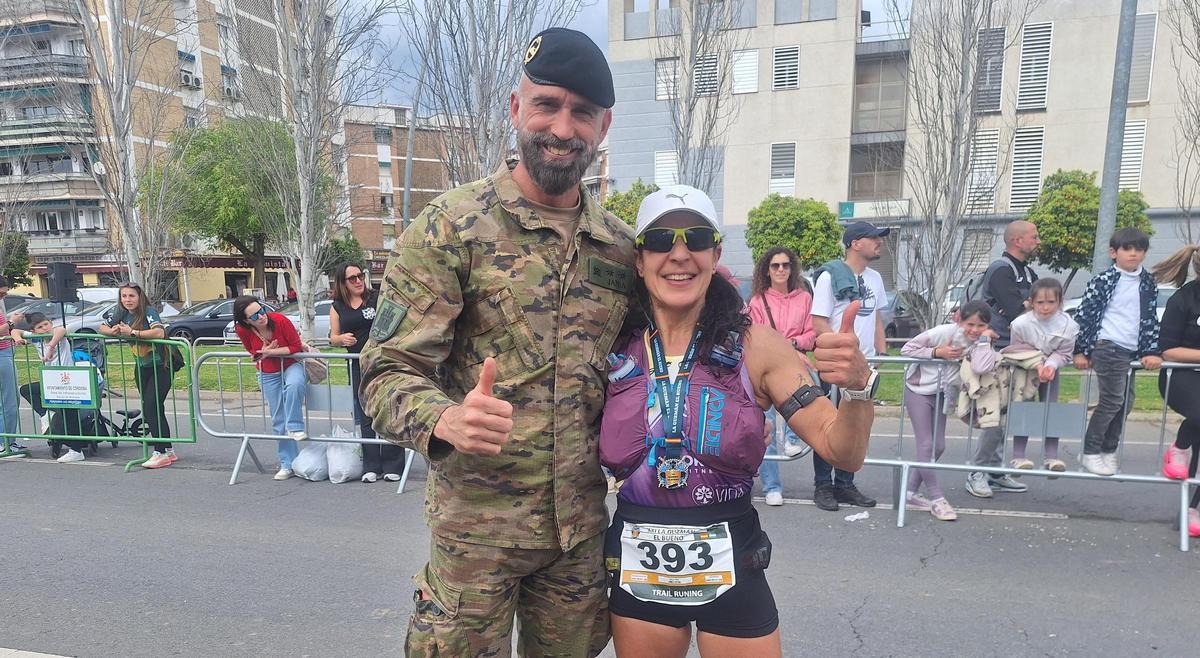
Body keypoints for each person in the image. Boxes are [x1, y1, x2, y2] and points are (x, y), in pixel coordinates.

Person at [358, 28, 632, 657]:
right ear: (516, 108)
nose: (562, 129)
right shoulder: (452, 226)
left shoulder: (618, 247)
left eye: (582, 113)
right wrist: (446, 417)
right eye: (547, 105)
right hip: (475, 536)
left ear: (604, 125)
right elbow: (384, 370)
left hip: (578, 539)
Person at [600, 185, 875, 656]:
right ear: (640, 258)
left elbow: (841, 450)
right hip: (638, 572)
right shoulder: (606, 345)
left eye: (697, 239)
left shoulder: (758, 346)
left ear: (716, 253)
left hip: (733, 569)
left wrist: (856, 388)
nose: (680, 254)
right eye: (663, 240)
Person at [808, 221, 886, 511]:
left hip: (863, 369)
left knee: (856, 427)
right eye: (874, 238)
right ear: (855, 243)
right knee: (829, 424)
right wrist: (839, 353)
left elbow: (876, 319)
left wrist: (881, 353)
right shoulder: (831, 277)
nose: (879, 242)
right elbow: (819, 321)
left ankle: (845, 484)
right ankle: (823, 486)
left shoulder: (876, 278)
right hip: (838, 365)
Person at [1072, 228, 1162, 476]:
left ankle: (1108, 450)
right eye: (1127, 249)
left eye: (1139, 249)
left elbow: (1150, 317)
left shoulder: (1147, 281)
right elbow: (1085, 315)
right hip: (1108, 345)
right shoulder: (1103, 280)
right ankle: (1091, 451)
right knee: (1112, 401)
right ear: (1114, 252)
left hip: (1133, 350)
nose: (1133, 254)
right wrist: (1080, 350)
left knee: (1126, 403)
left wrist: (1152, 349)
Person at [900, 301, 997, 521]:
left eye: (981, 325)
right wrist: (937, 352)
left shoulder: (982, 341)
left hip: (944, 394)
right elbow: (907, 348)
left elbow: (982, 367)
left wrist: (984, 341)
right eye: (970, 324)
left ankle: (909, 493)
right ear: (959, 320)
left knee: (939, 446)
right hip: (918, 390)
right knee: (926, 444)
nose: (974, 329)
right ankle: (937, 498)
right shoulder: (943, 332)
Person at [965, 220, 1040, 497]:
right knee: (992, 416)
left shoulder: (1028, 272)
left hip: (1018, 353)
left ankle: (994, 470)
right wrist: (1033, 305)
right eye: (1034, 236)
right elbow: (1017, 310)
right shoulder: (1001, 269)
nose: (1038, 241)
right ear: (1017, 241)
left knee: (1007, 417)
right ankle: (977, 472)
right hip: (996, 354)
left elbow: (1037, 308)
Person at [747, 247, 815, 507]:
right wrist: (783, 347)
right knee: (764, 426)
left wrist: (791, 344)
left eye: (785, 265)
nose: (780, 270)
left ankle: (792, 438)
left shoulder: (804, 299)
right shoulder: (757, 301)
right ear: (767, 269)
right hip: (765, 369)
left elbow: (811, 333)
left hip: (796, 365)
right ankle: (772, 486)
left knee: (797, 409)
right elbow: (755, 336)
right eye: (775, 265)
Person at [330, 263, 403, 483]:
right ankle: (371, 465)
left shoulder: (376, 298)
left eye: (360, 276)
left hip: (383, 362)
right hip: (358, 364)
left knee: (389, 410)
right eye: (352, 278)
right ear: (343, 283)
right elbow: (333, 337)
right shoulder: (337, 306)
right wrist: (340, 340)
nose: (358, 281)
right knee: (365, 414)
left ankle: (393, 465)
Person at [1004, 278, 1078, 473]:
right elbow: (1016, 349)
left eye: (1051, 302)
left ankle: (1051, 457)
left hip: (1051, 371)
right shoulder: (1020, 324)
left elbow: (1065, 352)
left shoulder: (1068, 325)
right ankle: (1019, 456)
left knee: (1051, 409)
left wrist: (1051, 365)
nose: (1045, 308)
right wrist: (1036, 364)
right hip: (1025, 371)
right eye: (1040, 303)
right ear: (1031, 302)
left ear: (1060, 302)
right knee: (1025, 409)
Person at [99, 282, 176, 469]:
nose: (127, 300)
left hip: (162, 365)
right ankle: (167, 449)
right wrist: (113, 331)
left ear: (139, 297)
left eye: (131, 296)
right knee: (153, 407)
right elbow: (102, 327)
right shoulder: (120, 312)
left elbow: (159, 331)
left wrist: (132, 332)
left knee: (151, 406)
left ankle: (159, 452)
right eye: (124, 296)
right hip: (142, 367)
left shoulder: (148, 311)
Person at [1153, 245, 1200, 536]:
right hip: (1181, 376)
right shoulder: (1184, 298)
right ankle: (1180, 446)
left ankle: (1193, 509)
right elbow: (1168, 349)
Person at [11, 312, 103, 463]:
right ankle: (47, 414)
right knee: (27, 389)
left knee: (69, 413)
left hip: (68, 380)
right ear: (34, 331)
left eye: (46, 324)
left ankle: (76, 450)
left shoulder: (56, 334)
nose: (44, 328)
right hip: (52, 382)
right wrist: (18, 338)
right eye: (40, 327)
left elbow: (61, 330)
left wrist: (51, 346)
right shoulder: (35, 338)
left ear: (50, 323)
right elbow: (15, 331)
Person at [233, 296, 306, 479]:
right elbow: (252, 352)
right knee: (277, 418)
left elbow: (295, 346)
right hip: (267, 371)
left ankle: (295, 426)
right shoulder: (242, 329)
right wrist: (262, 353)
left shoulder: (280, 320)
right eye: (255, 316)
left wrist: (271, 351)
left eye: (261, 310)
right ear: (246, 320)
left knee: (294, 385)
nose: (261, 317)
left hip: (291, 364)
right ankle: (287, 463)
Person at [0, 276, 20, 453]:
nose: (3, 296)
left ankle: (7, 440)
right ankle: (5, 442)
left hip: (6, 352)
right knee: (8, 401)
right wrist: (11, 322)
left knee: (8, 400)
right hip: (1, 354)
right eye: (2, 292)